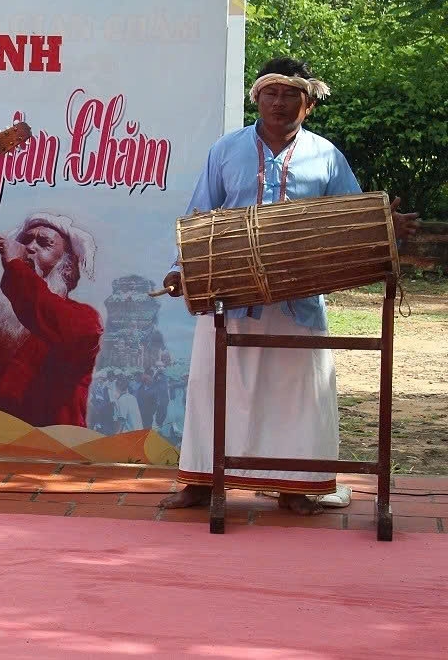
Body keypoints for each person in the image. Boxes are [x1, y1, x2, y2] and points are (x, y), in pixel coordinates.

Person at [159, 57, 419, 515]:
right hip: (230, 295)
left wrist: (384, 225)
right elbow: (200, 214)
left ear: (308, 104)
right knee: (214, 387)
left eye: (290, 95)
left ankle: (296, 487)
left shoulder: (326, 155)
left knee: (299, 394)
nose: (279, 103)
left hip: (299, 298)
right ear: (256, 98)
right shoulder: (225, 150)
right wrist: (183, 268)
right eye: (271, 94)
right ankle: (201, 481)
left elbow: (354, 219)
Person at [0, 212, 103, 428]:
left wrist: (15, 265)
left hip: (51, 447)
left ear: (67, 266)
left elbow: (51, 316)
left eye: (44, 243)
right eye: (25, 240)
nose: (29, 247)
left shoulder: (84, 320)